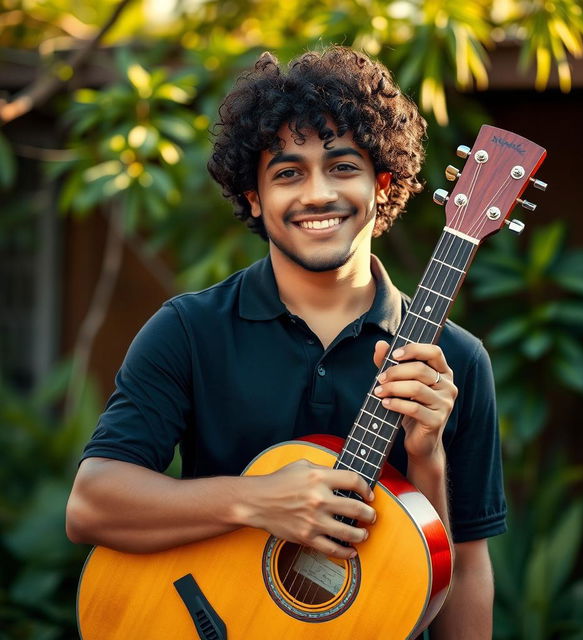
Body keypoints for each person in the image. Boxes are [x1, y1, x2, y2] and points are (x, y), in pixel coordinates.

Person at [66, 46, 506, 638]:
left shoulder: (453, 363)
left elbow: (464, 568)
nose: (316, 194)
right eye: (288, 172)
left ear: (383, 183)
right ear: (254, 196)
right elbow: (92, 504)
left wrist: (426, 456)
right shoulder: (189, 331)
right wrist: (257, 500)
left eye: (343, 167)